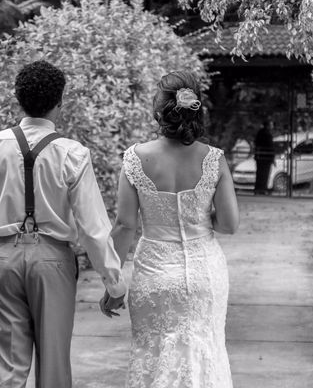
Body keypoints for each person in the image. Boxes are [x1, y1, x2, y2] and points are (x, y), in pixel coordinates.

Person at [0, 60, 126, 388]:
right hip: (53, 262)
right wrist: (114, 283)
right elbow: (93, 227)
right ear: (59, 102)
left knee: (9, 372)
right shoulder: (72, 153)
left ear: (17, 99)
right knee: (54, 371)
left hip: (2, 260)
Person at [101, 70, 239, 387]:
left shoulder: (135, 159)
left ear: (158, 111)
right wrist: (202, 219)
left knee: (153, 356)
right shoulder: (213, 159)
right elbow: (230, 224)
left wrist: (112, 285)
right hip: (205, 273)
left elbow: (124, 226)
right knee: (206, 355)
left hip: (154, 275)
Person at [253, 119, 275, 194]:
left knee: (260, 174)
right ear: (268, 125)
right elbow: (270, 147)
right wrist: (272, 158)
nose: (272, 126)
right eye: (271, 125)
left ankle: (258, 189)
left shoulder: (260, 133)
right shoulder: (267, 134)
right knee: (264, 174)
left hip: (260, 157)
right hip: (266, 158)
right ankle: (262, 189)